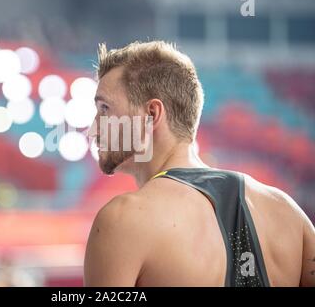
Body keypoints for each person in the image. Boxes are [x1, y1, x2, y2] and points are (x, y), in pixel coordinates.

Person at [84, 41, 315, 287]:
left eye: (105, 109)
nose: (93, 130)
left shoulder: (123, 221)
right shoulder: (288, 213)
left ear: (151, 115)